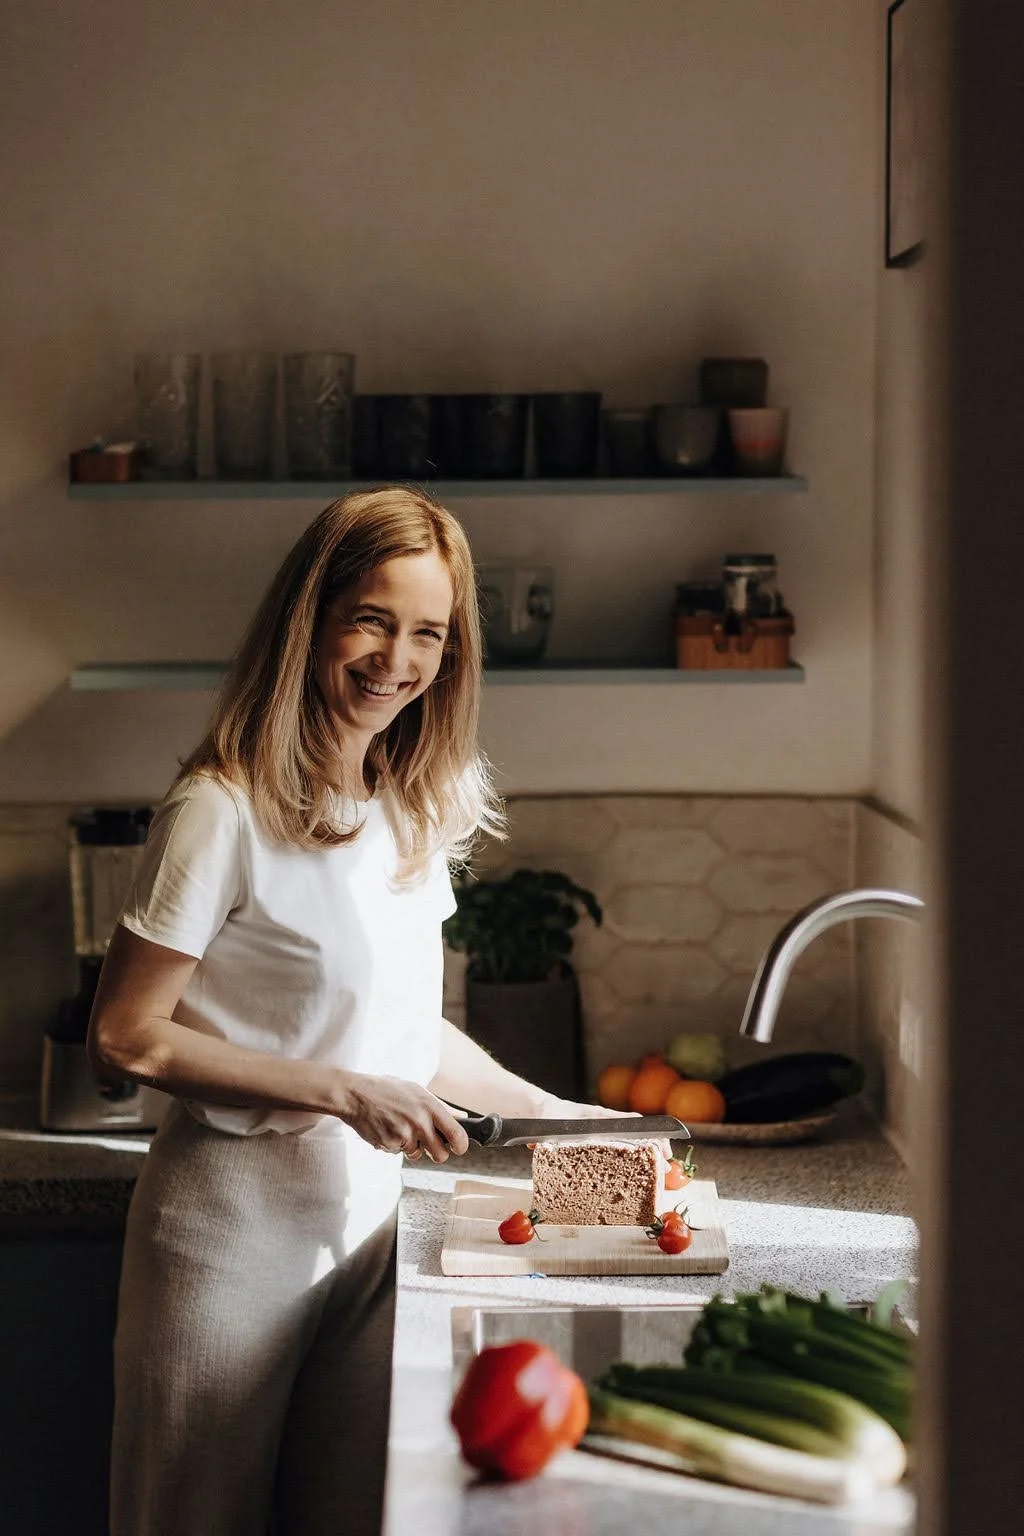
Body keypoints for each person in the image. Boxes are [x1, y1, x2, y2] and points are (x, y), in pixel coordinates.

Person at [87, 486, 614, 1536]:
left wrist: (564, 1117)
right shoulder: (219, 807)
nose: (395, 659)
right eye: (370, 619)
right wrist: (341, 1091)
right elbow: (125, 1035)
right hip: (229, 1234)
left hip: (374, 1231)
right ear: (311, 620)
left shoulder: (408, 803)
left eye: (428, 633)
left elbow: (407, 1033)